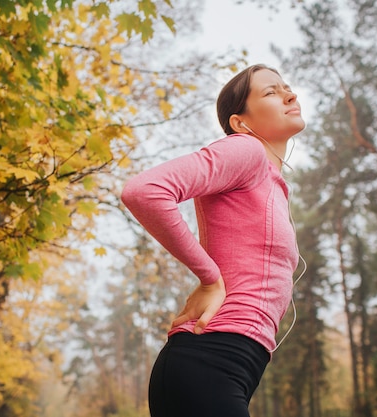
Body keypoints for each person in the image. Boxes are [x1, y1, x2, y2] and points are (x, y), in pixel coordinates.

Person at [121, 64, 305, 417]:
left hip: (231, 367)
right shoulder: (246, 150)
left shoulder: (272, 183)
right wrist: (209, 278)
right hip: (209, 360)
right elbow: (144, 191)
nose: (290, 95)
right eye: (271, 92)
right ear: (240, 123)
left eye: (287, 87)